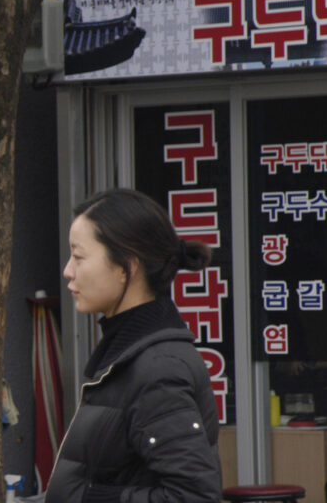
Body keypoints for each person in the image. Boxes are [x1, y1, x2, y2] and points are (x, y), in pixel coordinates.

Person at [45, 188, 221, 503]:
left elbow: (194, 496)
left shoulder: (158, 369)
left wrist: (87, 498)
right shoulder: (129, 355)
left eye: (79, 257)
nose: (68, 271)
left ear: (127, 265)